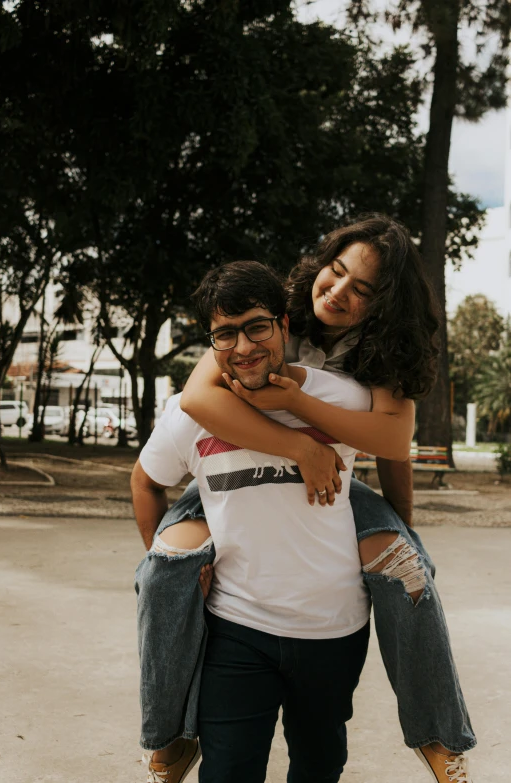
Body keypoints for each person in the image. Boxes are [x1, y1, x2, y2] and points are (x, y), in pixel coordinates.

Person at [134, 215, 476, 783]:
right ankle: (168, 735)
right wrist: (300, 447)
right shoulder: (273, 314)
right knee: (164, 567)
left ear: (385, 303)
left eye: (362, 289)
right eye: (336, 271)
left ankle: (438, 733)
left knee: (404, 565)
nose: (339, 291)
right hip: (235, 468)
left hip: (338, 478)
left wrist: (395, 525)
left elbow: (392, 445)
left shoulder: (383, 352)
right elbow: (198, 397)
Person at [133, 261, 374, 783]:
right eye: (225, 333)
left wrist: (400, 535)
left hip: (334, 628)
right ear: (211, 344)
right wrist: (174, 569)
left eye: (256, 326)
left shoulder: (345, 398)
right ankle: (167, 741)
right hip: (236, 627)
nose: (242, 346)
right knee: (227, 773)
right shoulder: (186, 414)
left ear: (284, 325)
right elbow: (145, 482)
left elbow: (395, 446)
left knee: (319, 767)